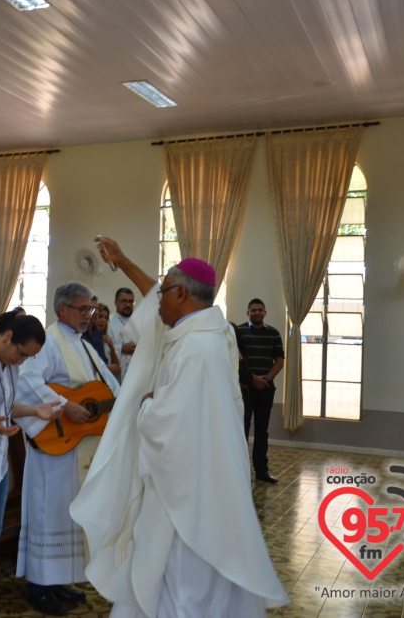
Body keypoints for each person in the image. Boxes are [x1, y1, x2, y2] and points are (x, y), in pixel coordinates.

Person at [71, 237, 288, 618]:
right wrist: (122, 261)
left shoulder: (195, 348)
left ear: (183, 294)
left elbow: (170, 426)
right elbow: (157, 297)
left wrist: (148, 405)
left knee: (180, 579)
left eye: (165, 292)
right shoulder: (209, 331)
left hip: (186, 492)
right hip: (207, 477)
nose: (157, 301)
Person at [15, 282, 121, 616]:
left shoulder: (85, 345)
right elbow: (27, 380)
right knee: (48, 514)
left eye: (91, 309)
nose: (89, 315)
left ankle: (59, 582)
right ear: (63, 309)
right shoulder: (48, 341)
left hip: (79, 447)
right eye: (83, 309)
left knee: (69, 515)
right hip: (55, 445)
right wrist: (64, 404)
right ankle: (39, 587)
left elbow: (108, 388)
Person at [0, 311, 60, 618]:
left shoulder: (10, 363)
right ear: (7, 337)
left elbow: (5, 406)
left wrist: (35, 410)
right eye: (21, 353)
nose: (21, 361)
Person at [236, 298, 285, 484]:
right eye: (253, 310)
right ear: (247, 313)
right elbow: (235, 360)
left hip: (266, 389)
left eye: (260, 310)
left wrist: (266, 379)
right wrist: (251, 379)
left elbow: (279, 360)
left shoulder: (273, 333)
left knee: (262, 430)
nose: (256, 313)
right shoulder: (238, 332)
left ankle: (262, 471)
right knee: (242, 429)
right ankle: (241, 471)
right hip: (245, 389)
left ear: (265, 313)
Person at [82, 301, 121, 380]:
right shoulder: (83, 335)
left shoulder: (100, 336)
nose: (103, 320)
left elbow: (118, 369)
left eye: (106, 318)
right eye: (100, 316)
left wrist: (111, 347)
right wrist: (105, 368)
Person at [107, 287, 137, 382]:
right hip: (117, 375)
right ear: (116, 302)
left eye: (130, 301)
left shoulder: (139, 322)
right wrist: (121, 349)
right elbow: (103, 348)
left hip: (137, 372)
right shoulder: (108, 322)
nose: (128, 305)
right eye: (124, 301)